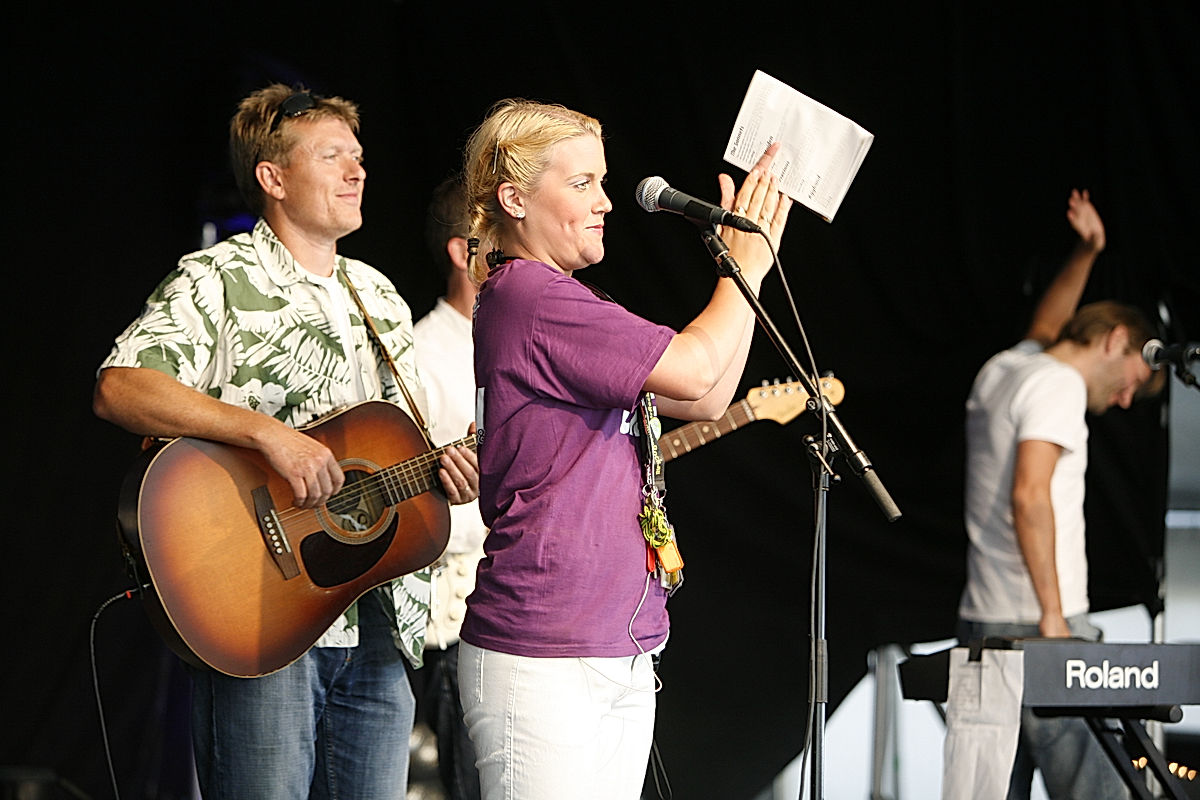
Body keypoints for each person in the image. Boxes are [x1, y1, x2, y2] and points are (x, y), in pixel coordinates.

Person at [93, 83, 480, 800]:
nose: (357, 171)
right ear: (273, 178)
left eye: (359, 157)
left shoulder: (382, 296)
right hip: (262, 609)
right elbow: (121, 386)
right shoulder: (218, 278)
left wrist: (448, 471)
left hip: (380, 618)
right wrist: (269, 436)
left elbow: (400, 455)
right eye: (332, 156)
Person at [456, 98, 792, 800]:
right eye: (581, 184)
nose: (606, 202)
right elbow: (698, 370)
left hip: (615, 646)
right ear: (515, 198)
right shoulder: (534, 298)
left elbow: (702, 396)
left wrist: (749, 272)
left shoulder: (570, 300)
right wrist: (745, 271)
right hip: (548, 654)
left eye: (603, 183)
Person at [956, 189, 1160, 799]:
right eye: (1133, 382)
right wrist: (1052, 619)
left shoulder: (1008, 368)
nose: (1125, 400)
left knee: (994, 788)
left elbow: (1048, 325)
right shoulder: (1059, 387)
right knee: (1099, 791)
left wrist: (1089, 250)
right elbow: (1030, 496)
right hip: (1041, 620)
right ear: (1115, 339)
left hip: (983, 618)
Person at [410, 176, 485, 800]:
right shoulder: (422, 356)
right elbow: (408, 515)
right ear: (462, 252)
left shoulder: (524, 345)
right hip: (457, 623)